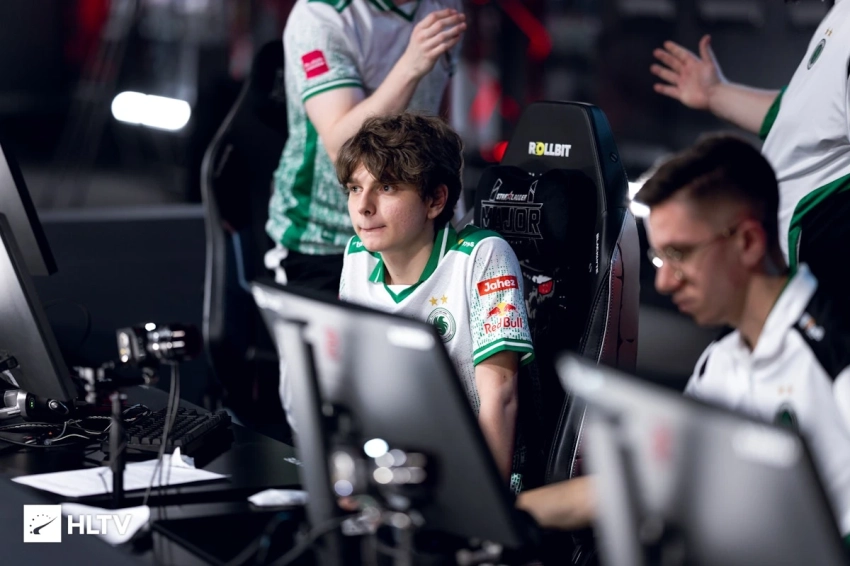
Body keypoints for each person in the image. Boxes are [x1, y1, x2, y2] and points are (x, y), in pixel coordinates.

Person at [518, 134, 850, 544]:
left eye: (679, 254)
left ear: (747, 242)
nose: (664, 281)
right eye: (659, 258)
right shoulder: (721, 361)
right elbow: (644, 478)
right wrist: (507, 517)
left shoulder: (835, 346)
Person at [336, 113, 536, 492]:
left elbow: (501, 395)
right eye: (355, 188)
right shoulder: (356, 255)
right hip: (388, 466)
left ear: (435, 200)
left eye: (387, 187)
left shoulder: (482, 255)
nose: (363, 207)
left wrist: (484, 506)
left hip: (463, 472)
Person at [265, 0, 466, 293]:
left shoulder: (443, 5)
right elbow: (343, 149)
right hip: (323, 240)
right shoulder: (319, 14)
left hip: (414, 238)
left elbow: (439, 127)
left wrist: (451, 211)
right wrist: (411, 66)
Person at [649, 1, 850, 291]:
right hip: (786, 278)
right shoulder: (841, 15)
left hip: (815, 284)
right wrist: (714, 93)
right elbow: (804, 118)